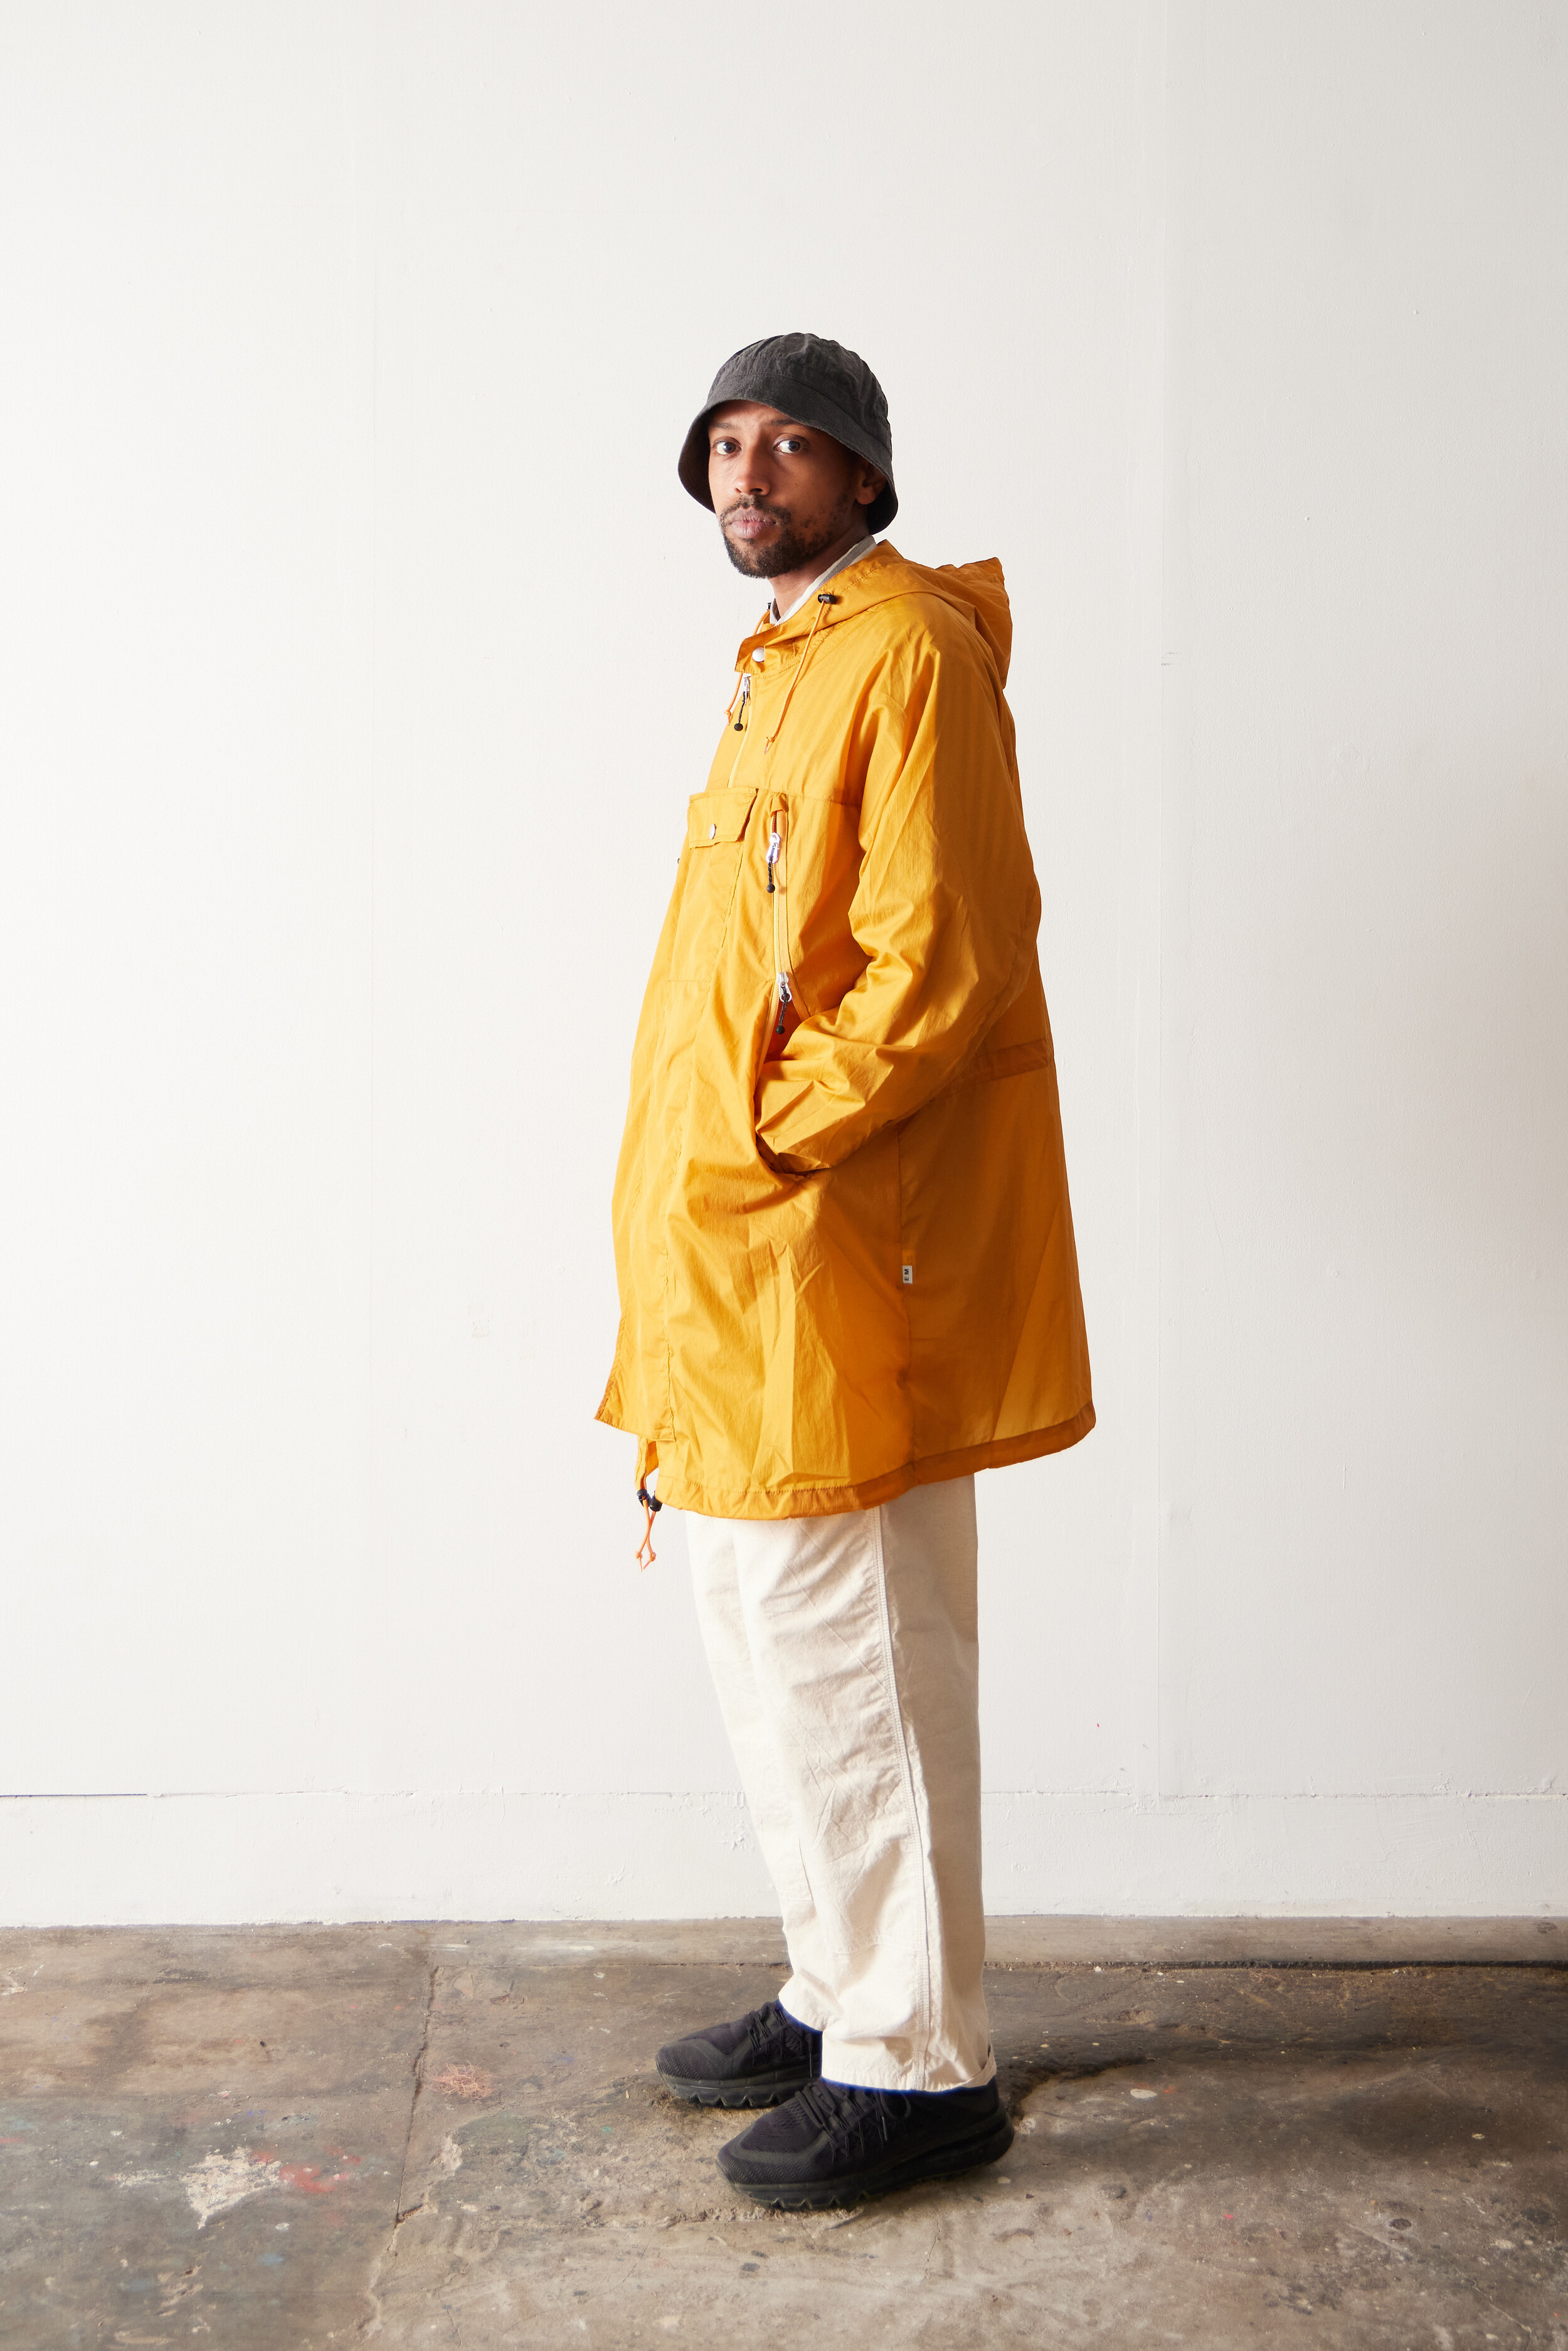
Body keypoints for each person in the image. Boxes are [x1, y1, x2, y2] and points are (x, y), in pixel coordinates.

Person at [597, 332, 1093, 2209]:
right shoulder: (781, 669)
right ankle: (837, 1993)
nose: (750, 472)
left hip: (829, 1260)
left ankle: (920, 2064)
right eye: (726, 443)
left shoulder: (905, 654)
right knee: (770, 1657)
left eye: (791, 444)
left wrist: (768, 1141)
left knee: (859, 1663)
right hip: (738, 1272)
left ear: (865, 478)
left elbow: (943, 957)